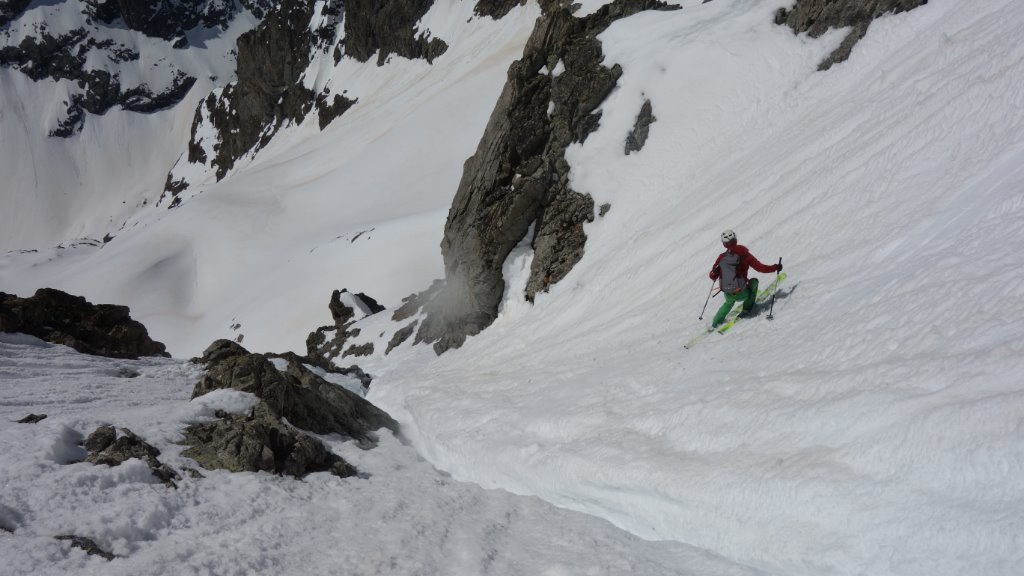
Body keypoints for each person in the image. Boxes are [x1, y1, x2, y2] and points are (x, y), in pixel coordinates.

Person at [708, 229, 782, 328]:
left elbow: (712, 276)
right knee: (754, 282)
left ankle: (716, 322)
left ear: (724, 244)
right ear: (736, 240)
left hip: (726, 291)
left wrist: (715, 272)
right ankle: (747, 308)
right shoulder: (744, 254)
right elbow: (761, 268)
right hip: (741, 293)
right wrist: (775, 267)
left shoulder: (722, 257)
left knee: (728, 303)